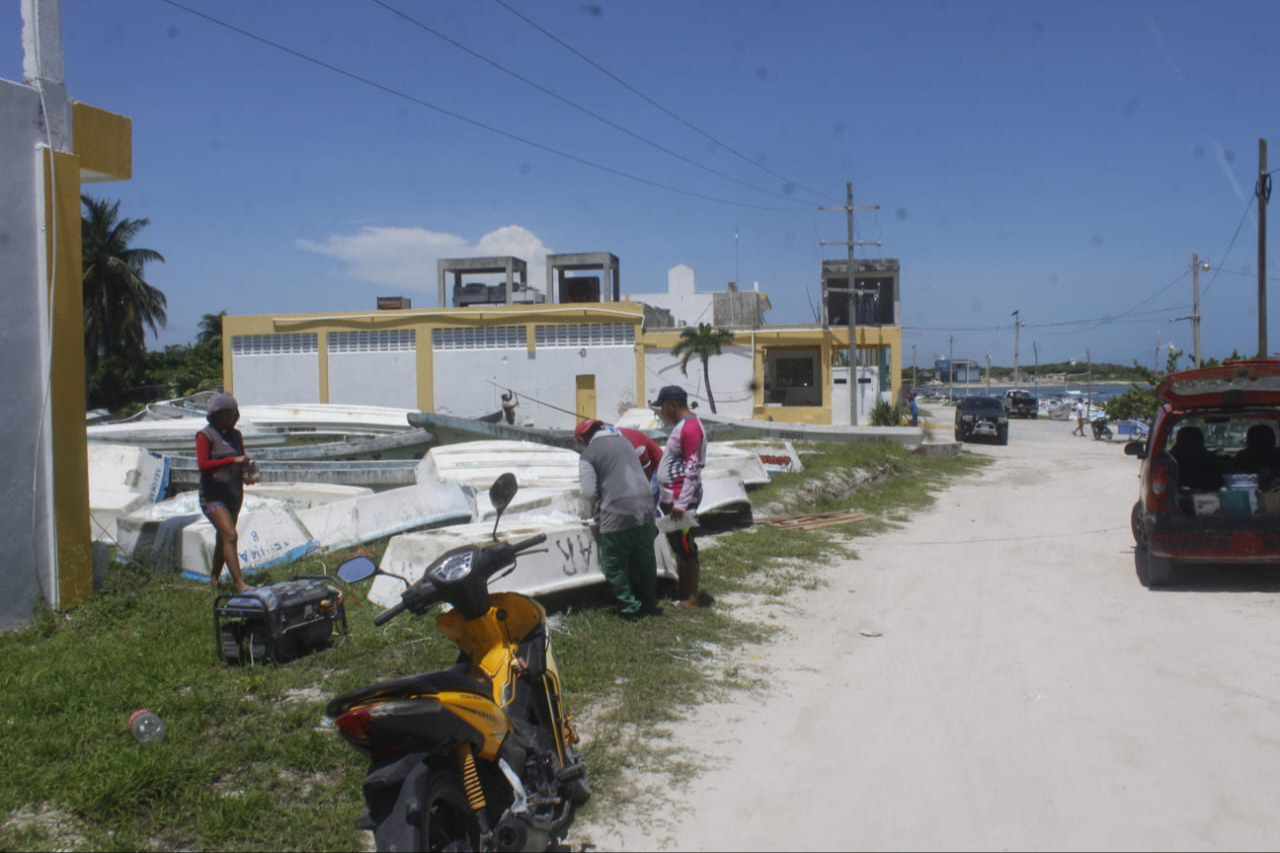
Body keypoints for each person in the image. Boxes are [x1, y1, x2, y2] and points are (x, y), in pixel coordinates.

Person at [575, 419, 661, 619]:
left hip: (618, 511)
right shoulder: (625, 443)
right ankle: (649, 602)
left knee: (614, 562)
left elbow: (588, 492)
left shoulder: (588, 454)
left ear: (582, 439)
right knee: (645, 559)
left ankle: (629, 607)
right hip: (646, 506)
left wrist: (588, 514)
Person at [197, 393, 257, 592]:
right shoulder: (205, 436)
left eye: (234, 414)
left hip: (233, 493)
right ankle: (239, 583)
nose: (232, 418)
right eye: (228, 414)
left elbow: (241, 462)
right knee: (230, 535)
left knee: (223, 537)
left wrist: (246, 475)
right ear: (217, 414)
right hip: (213, 496)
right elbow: (203, 464)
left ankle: (214, 579)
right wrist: (232, 461)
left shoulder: (235, 436)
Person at [654, 385, 706, 610]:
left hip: (679, 500)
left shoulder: (691, 427)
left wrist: (681, 503)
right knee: (679, 547)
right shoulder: (683, 426)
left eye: (663, 407)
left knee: (687, 547)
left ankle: (692, 599)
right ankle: (683, 592)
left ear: (672, 405)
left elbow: (693, 466)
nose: (662, 412)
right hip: (672, 498)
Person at [616, 425, 664, 513]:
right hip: (639, 466)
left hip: (656, 465)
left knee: (648, 498)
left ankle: (653, 520)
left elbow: (646, 469)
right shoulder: (611, 438)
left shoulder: (633, 445)